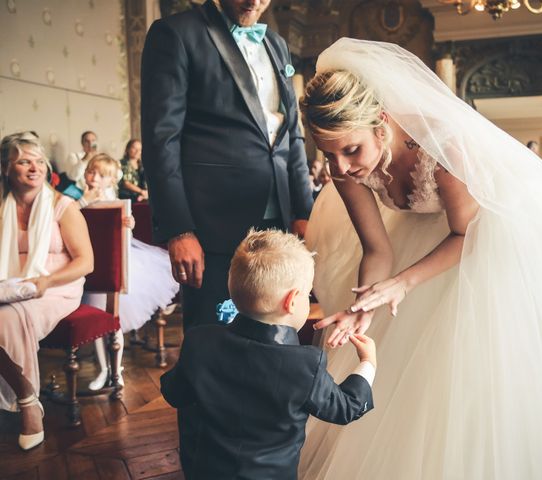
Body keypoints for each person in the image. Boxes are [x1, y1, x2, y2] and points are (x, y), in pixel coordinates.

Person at [297, 38, 542, 479]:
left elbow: (466, 234)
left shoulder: (443, 148)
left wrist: (401, 283)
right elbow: (378, 249)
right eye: (328, 154)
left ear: (381, 123)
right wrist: (366, 304)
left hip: (493, 238)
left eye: (350, 150)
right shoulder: (345, 168)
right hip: (420, 238)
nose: (341, 167)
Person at [141, 0, 313, 473]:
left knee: (275, 344)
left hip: (278, 225)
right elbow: (161, 137)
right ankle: (201, 466)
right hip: (212, 229)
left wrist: (303, 211)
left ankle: (266, 463)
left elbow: (291, 137)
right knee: (211, 352)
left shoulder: (276, 43)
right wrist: (179, 227)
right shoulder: (174, 34)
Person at [160, 229, 375, 479]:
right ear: (292, 301)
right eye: (307, 294)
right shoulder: (306, 364)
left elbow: (174, 393)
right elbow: (346, 408)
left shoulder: (199, 340)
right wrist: (368, 362)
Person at [0, 131, 93, 450]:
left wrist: (43, 282)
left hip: (58, 288)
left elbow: (86, 262)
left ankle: (27, 402)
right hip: (13, 287)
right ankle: (23, 392)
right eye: (24, 161)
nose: (34, 167)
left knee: (5, 319)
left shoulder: (62, 206)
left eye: (39, 161)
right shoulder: (2, 209)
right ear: (6, 169)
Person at [76, 154, 179, 391]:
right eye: (91, 171)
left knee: (114, 321)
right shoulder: (79, 201)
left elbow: (123, 240)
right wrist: (84, 200)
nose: (94, 177)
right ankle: (103, 369)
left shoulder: (115, 201)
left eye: (100, 175)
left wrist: (128, 226)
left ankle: (116, 369)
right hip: (92, 266)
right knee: (97, 319)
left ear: (111, 180)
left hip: (118, 264)